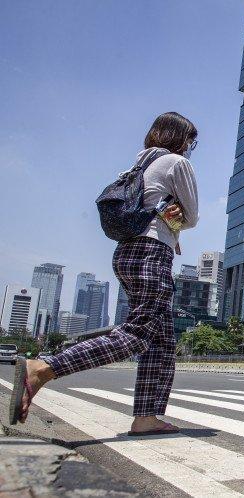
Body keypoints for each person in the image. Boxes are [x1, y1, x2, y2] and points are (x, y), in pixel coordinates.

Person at [11, 112, 199, 435]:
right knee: (138, 334)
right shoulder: (176, 164)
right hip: (151, 254)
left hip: (127, 252)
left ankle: (146, 417)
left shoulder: (137, 166)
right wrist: (179, 216)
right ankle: (42, 368)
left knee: (163, 341)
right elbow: (192, 215)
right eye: (190, 142)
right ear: (179, 138)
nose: (191, 148)